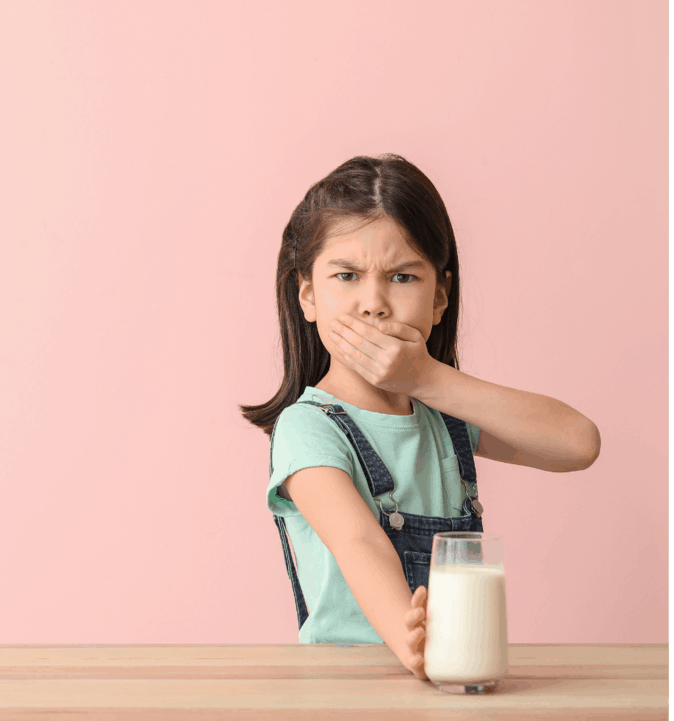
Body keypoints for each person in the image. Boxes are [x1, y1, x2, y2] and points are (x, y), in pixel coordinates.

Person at [238, 154, 600, 680]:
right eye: (347, 276)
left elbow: (577, 444)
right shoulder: (308, 428)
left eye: (403, 277)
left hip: (450, 673)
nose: (374, 303)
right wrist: (414, 639)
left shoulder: (444, 417)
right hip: (350, 690)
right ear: (308, 296)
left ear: (440, 297)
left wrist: (428, 379)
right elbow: (357, 541)